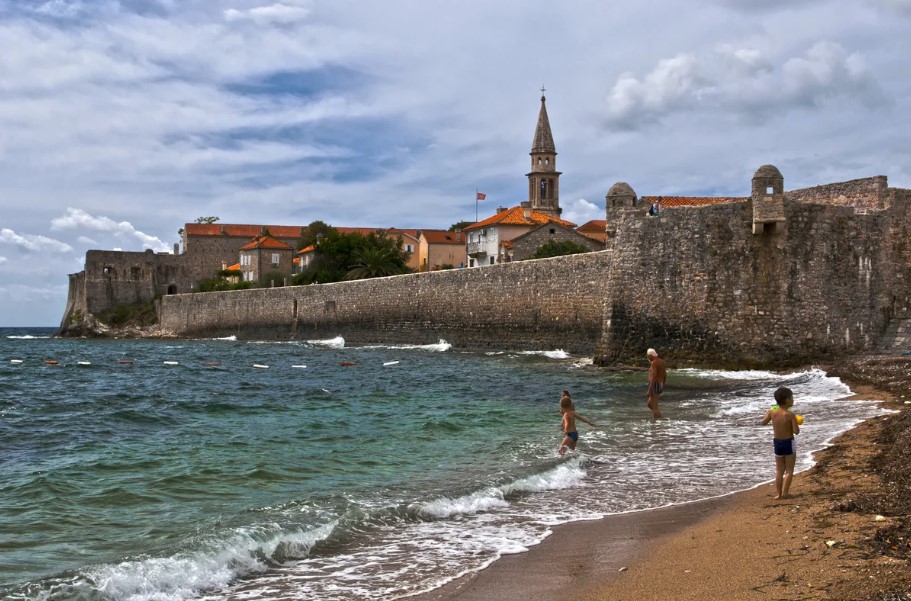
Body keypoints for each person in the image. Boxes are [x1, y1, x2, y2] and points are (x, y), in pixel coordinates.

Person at [760, 386, 800, 499]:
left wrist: (767, 413)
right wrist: (797, 422)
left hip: (777, 442)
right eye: (791, 398)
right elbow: (796, 431)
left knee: (779, 469)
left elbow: (763, 422)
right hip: (788, 442)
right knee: (789, 470)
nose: (793, 400)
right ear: (786, 400)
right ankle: (785, 493)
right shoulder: (790, 415)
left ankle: (778, 494)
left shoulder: (772, 412)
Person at [646, 348, 666, 418]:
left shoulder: (654, 363)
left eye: (648, 356)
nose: (647, 357)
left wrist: (649, 389)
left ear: (651, 355)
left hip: (655, 385)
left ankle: (658, 421)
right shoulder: (662, 361)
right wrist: (663, 384)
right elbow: (664, 374)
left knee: (654, 407)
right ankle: (658, 416)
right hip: (659, 384)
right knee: (649, 404)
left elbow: (653, 377)